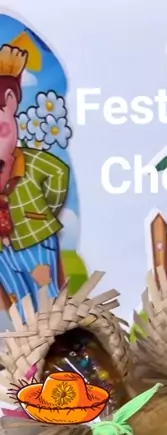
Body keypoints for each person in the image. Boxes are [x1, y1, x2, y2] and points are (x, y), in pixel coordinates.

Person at [0, 44, 69, 310]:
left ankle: (55, 334)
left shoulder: (31, 162)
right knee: (19, 302)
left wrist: (43, 213)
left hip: (34, 240)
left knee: (47, 298)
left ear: (11, 104)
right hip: (3, 252)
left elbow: (58, 174)